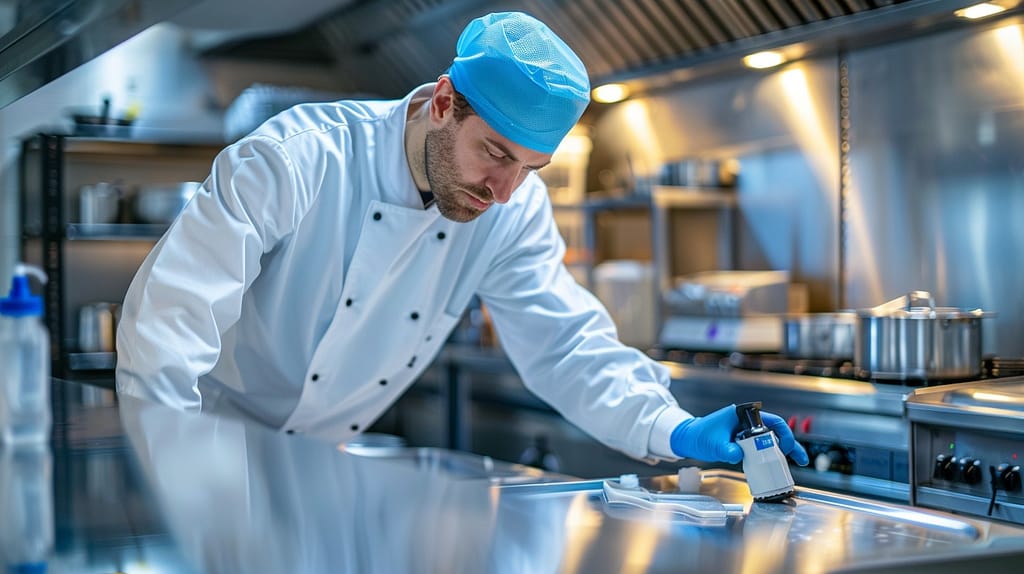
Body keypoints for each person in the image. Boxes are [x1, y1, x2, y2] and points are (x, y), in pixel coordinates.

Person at [116, 12, 809, 469]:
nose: (505, 190)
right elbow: (167, 326)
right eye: (495, 153)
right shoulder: (297, 159)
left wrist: (673, 428)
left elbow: (564, 345)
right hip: (210, 450)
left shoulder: (512, 209)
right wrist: (178, 473)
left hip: (322, 467)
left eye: (530, 169)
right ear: (443, 102)